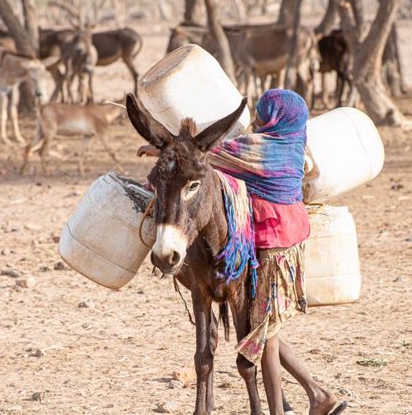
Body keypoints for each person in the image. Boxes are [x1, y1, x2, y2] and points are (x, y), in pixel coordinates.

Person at [138, 89, 346, 415]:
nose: (257, 122)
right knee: (262, 326)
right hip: (291, 244)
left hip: (270, 249)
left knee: (265, 334)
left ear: (273, 119)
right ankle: (315, 394)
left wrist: (169, 152)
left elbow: (212, 157)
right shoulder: (293, 148)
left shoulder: (258, 150)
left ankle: (283, 408)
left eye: (262, 116)